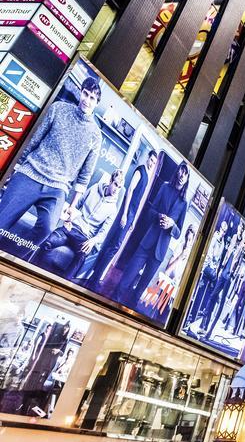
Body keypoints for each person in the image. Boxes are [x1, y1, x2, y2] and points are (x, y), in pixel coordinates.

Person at [0, 77, 102, 256]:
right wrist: (14, 169)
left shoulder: (95, 135)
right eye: (85, 94)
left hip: (58, 187)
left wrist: (72, 205)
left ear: (97, 102)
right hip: (31, 172)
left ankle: (10, 258)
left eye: (92, 98)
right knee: (2, 220)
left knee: (46, 228)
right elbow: (33, 141)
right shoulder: (58, 109)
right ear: (80, 92)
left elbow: (85, 174)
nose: (87, 100)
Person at [114, 161, 190, 308]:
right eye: (181, 172)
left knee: (139, 291)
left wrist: (172, 225)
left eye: (186, 174)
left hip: (160, 252)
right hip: (146, 243)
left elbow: (179, 232)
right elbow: (150, 211)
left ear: (187, 179)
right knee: (125, 280)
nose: (182, 176)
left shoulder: (183, 203)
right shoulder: (165, 187)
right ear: (177, 173)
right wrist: (159, 216)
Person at [83, 151, 158, 288]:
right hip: (126, 211)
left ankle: (95, 276)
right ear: (148, 158)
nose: (152, 163)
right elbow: (130, 191)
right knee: (114, 245)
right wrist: (125, 214)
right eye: (151, 160)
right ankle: (95, 278)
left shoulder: (147, 174)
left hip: (132, 213)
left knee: (114, 246)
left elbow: (139, 199)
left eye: (154, 162)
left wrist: (133, 220)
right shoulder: (140, 170)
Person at [34, 170, 124, 278]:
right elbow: (76, 206)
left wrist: (93, 241)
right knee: (47, 242)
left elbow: (104, 232)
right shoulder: (95, 188)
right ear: (110, 181)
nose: (116, 190)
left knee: (81, 257)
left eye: (119, 187)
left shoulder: (113, 209)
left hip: (85, 238)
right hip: (72, 227)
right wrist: (68, 219)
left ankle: (63, 284)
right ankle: (34, 272)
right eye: (115, 185)